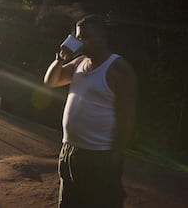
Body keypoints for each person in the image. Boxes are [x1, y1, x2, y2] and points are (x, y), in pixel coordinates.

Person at [44, 15, 137, 208]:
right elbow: (51, 81)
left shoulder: (119, 68)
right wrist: (60, 59)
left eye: (85, 37)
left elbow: (126, 117)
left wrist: (115, 157)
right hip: (69, 150)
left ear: (102, 38)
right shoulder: (79, 63)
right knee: (69, 203)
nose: (80, 42)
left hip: (99, 155)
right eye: (78, 37)